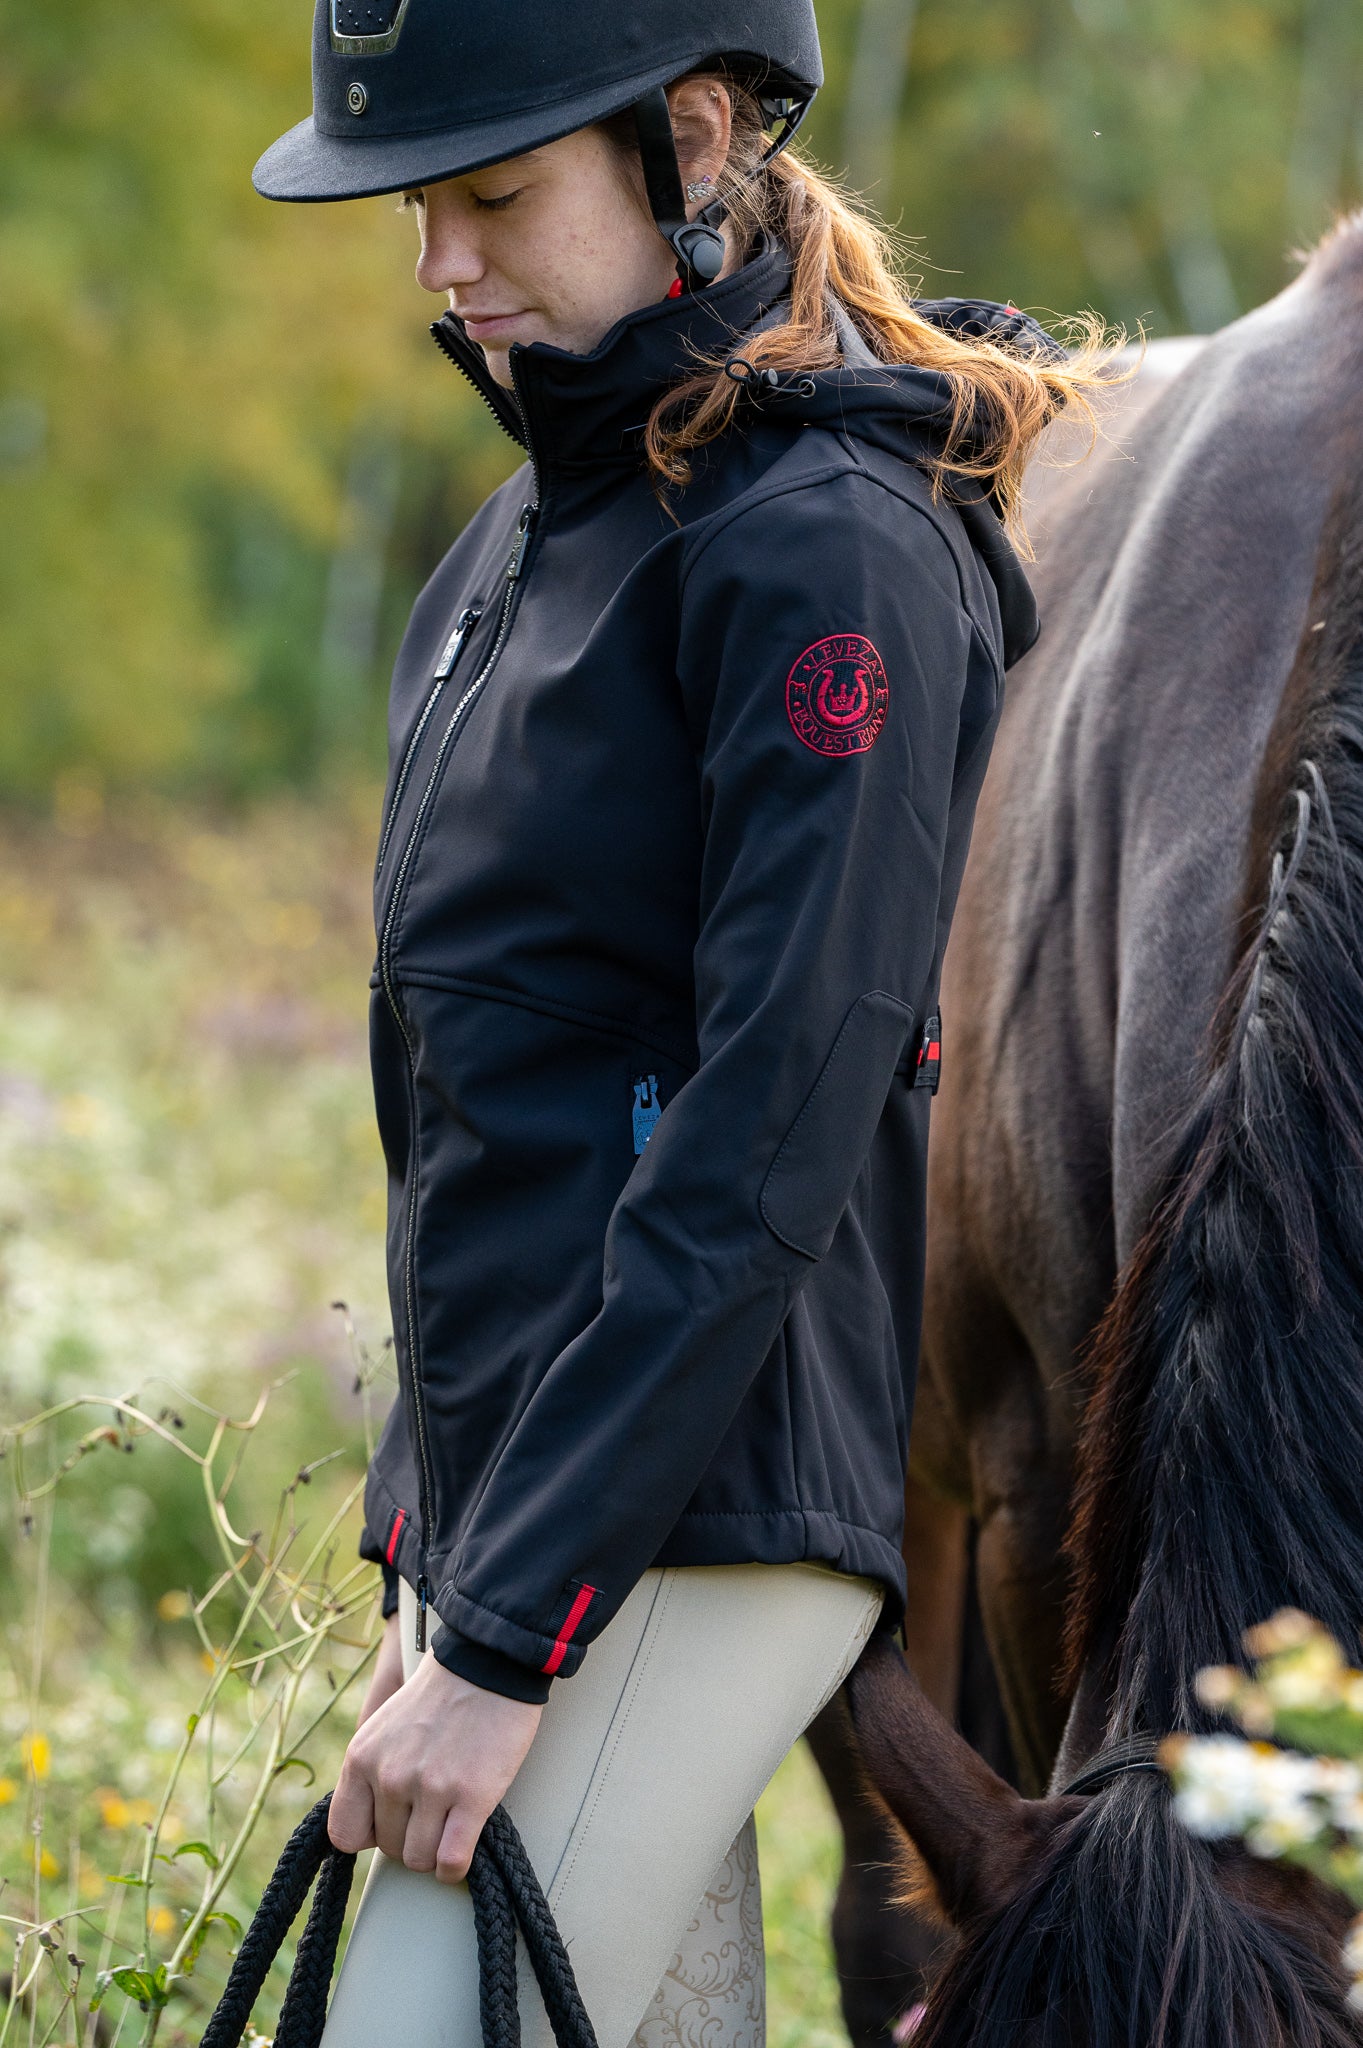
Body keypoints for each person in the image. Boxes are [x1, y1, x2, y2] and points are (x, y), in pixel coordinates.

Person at [253, 5, 1107, 2043]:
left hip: (700, 1509)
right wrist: (431, 1554)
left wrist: (503, 1635)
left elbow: (764, 1138)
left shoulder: (829, 558)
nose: (442, 266)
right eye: (415, 212)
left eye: (493, 199)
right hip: (535, 1515)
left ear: (693, 140)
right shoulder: (513, 546)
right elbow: (475, 1112)